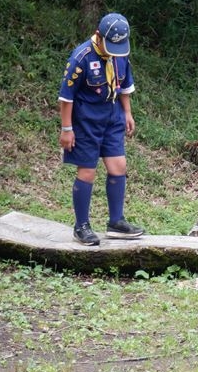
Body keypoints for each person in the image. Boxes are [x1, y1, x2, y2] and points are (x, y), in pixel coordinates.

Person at [58, 12, 145, 246]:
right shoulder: (82, 57)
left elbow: (124, 86)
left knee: (119, 166)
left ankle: (116, 222)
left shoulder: (120, 54)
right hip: (86, 122)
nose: (115, 50)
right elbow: (66, 98)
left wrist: (127, 112)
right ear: (99, 35)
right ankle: (81, 226)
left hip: (112, 117)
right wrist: (67, 128)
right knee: (87, 171)